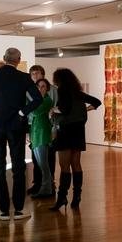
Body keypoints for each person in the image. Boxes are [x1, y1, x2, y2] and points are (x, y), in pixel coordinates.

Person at [0, 48, 42, 220]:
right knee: (18, 167)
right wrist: (22, 112)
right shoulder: (24, 77)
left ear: (4, 58)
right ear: (19, 60)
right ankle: (20, 210)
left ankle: (3, 211)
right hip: (16, 124)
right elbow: (38, 99)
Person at [49, 68, 101, 211]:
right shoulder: (77, 92)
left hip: (66, 130)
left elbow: (64, 110)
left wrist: (53, 109)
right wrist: (85, 110)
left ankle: (62, 198)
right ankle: (77, 197)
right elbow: (97, 102)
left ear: (59, 79)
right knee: (76, 164)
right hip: (78, 130)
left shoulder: (62, 90)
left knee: (64, 166)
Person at [27, 65, 58, 196]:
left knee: (48, 159)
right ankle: (39, 184)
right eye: (32, 74)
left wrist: (54, 128)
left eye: (37, 73)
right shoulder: (29, 90)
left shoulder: (52, 91)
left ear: (43, 74)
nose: (35, 75)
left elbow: (54, 108)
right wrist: (28, 131)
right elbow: (30, 114)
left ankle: (49, 186)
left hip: (47, 127)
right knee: (37, 160)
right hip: (34, 128)